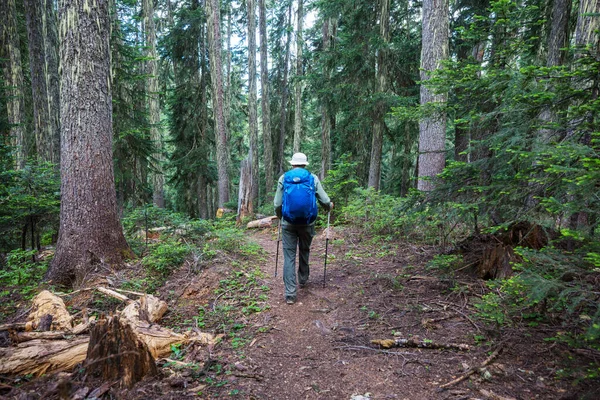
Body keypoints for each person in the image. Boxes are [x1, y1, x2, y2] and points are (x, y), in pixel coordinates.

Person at [274, 152, 333, 305]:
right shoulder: (312, 178)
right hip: (307, 223)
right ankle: (303, 279)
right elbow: (324, 200)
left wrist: (281, 217)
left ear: (292, 163)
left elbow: (277, 204)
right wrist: (329, 206)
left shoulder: (284, 178)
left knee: (289, 257)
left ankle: (290, 294)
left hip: (288, 223)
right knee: (304, 250)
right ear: (305, 164)